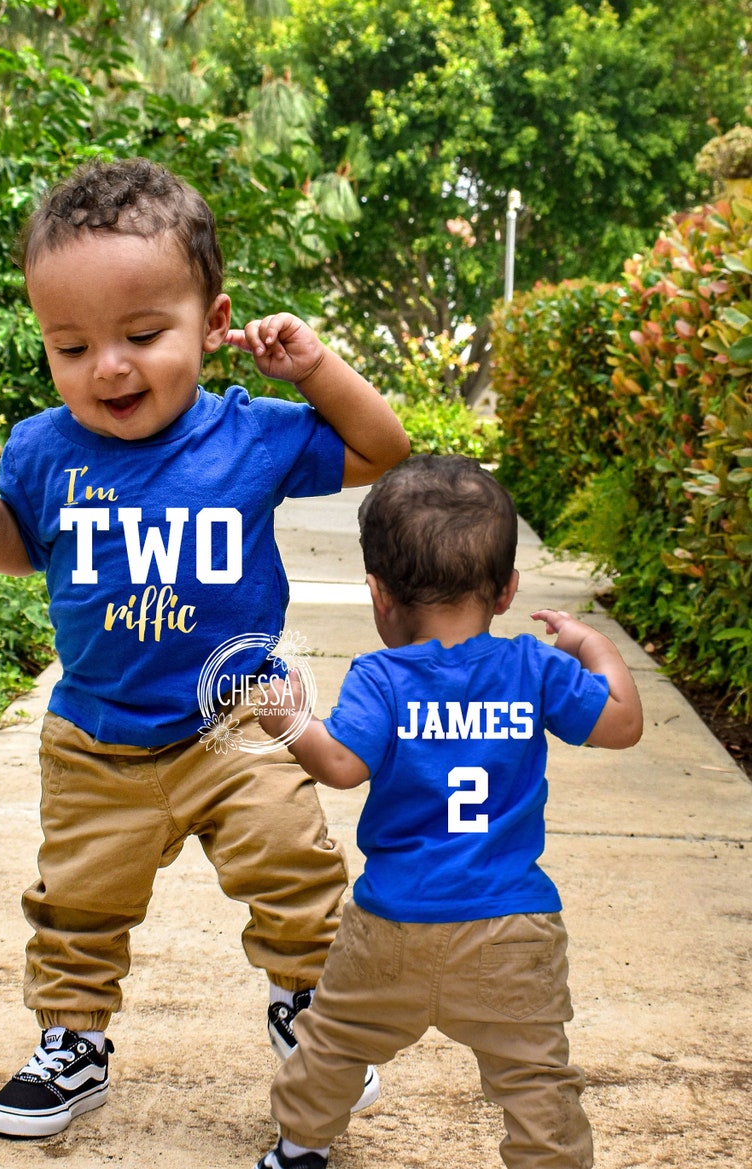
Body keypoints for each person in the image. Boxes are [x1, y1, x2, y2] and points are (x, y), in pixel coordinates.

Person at [0, 158, 410, 1138]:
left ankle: (312, 1011)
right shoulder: (41, 451)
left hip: (240, 724)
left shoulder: (254, 435)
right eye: (71, 344)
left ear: (213, 323)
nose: (108, 367)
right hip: (97, 741)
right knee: (77, 905)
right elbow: (25, 555)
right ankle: (74, 1042)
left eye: (143, 335)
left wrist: (315, 368)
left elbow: (382, 447)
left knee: (295, 873)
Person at [250, 454, 643, 1169]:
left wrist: (290, 720)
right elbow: (621, 721)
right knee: (535, 1075)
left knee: (333, 1041)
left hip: (393, 922)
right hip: (512, 928)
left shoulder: (382, 676)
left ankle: (300, 1148)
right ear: (506, 592)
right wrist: (593, 646)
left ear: (379, 595)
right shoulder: (535, 667)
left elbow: (341, 765)